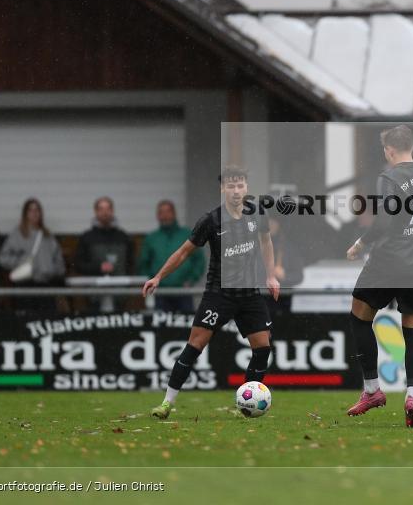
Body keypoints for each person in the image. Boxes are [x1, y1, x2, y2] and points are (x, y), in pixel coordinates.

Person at [144, 166, 279, 420]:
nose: (236, 190)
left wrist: (271, 275)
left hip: (249, 294)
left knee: (262, 348)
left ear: (246, 188)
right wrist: (159, 276)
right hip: (219, 294)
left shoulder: (257, 214)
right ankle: (166, 403)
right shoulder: (211, 220)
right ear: (223, 189)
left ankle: (245, 405)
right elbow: (184, 252)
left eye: (240, 186)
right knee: (195, 345)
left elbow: (266, 242)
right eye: (231, 186)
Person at [343, 125, 413, 427]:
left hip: (388, 261)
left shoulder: (388, 177)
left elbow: (385, 221)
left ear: (389, 149)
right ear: (410, 146)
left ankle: (373, 390)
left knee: (359, 317)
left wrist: (360, 243)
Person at [0, 198, 66, 313]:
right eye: (31, 210)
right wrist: (22, 262)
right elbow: (3, 258)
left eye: (37, 210)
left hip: (46, 285)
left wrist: (53, 270)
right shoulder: (18, 234)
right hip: (25, 285)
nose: (34, 213)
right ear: (25, 214)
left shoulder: (48, 236)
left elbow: (58, 260)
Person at [138, 200, 205, 313]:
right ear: (157, 215)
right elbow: (143, 263)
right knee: (161, 326)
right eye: (161, 212)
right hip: (160, 292)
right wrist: (150, 281)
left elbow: (199, 260)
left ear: (174, 213)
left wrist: (191, 279)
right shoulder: (152, 238)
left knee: (185, 325)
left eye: (168, 212)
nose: (165, 215)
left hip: (183, 291)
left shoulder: (187, 234)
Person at [74, 196, 134, 312]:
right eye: (101, 209)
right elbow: (79, 264)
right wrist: (98, 268)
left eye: (108, 209)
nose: (105, 213)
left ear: (112, 211)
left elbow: (131, 264)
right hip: (94, 294)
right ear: (96, 212)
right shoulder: (87, 238)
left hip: (120, 294)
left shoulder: (123, 237)